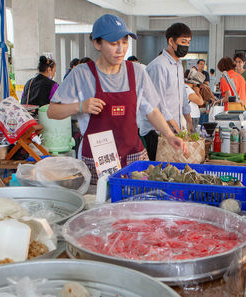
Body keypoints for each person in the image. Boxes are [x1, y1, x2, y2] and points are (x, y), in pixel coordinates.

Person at [48, 14, 187, 183]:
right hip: (98, 159)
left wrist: (169, 135)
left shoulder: (137, 72)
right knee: (101, 203)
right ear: (97, 43)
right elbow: (52, 111)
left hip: (133, 156)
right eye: (114, 44)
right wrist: (80, 106)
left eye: (124, 42)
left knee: (137, 203)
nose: (121, 49)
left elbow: (151, 110)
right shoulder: (81, 74)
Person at [140, 22, 193, 160]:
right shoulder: (158, 66)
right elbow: (158, 104)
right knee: (157, 172)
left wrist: (189, 121)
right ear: (171, 41)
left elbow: (182, 95)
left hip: (172, 131)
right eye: (183, 41)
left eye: (188, 42)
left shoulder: (178, 65)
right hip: (156, 132)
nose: (186, 46)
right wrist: (177, 130)